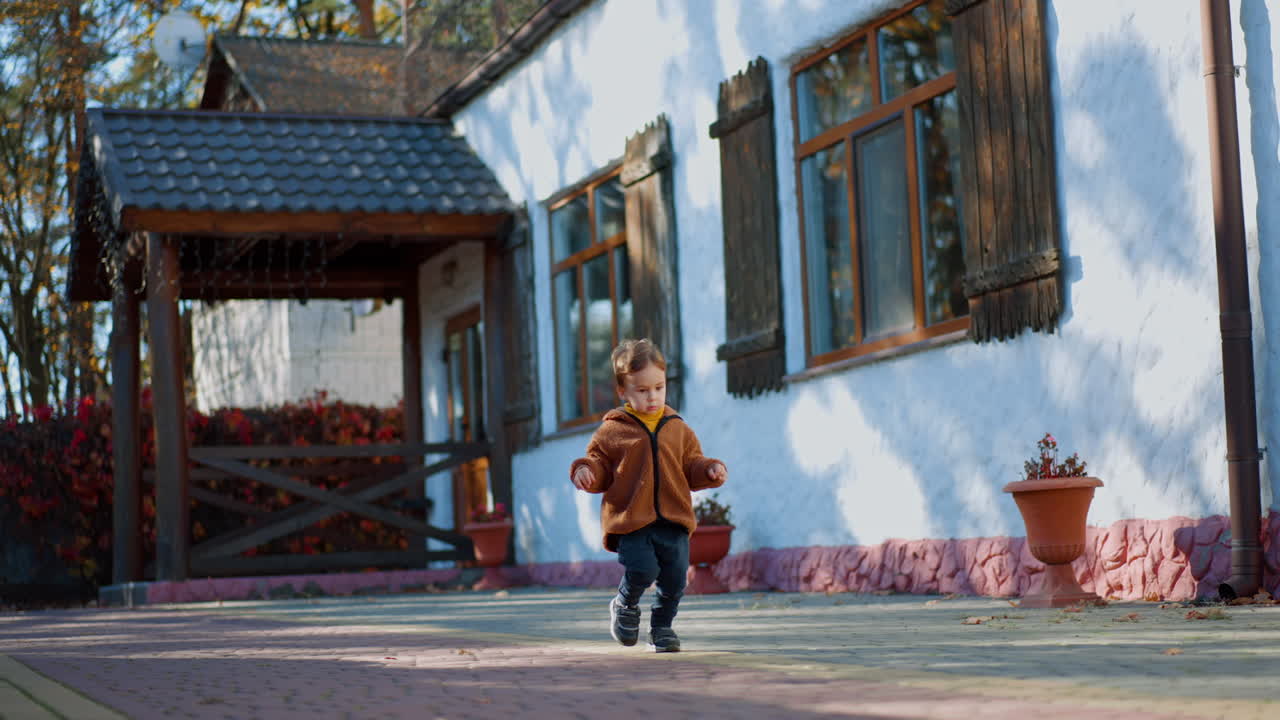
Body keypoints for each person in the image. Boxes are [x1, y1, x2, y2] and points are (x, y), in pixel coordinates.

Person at [569, 338, 728, 652]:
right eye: (642, 390)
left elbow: (691, 463)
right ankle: (625, 603)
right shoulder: (613, 430)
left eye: (659, 387)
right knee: (643, 569)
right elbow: (598, 461)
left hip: (674, 519)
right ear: (623, 392)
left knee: (675, 581)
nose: (652, 396)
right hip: (632, 519)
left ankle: (662, 629)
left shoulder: (678, 428)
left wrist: (709, 469)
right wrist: (585, 470)